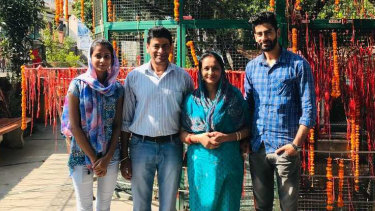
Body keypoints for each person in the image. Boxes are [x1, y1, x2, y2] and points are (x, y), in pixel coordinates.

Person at [244, 12, 317, 211]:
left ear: (277, 32)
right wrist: (245, 140)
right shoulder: (251, 68)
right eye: (259, 34)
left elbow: (309, 109)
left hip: (285, 148)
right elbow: (247, 107)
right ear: (255, 36)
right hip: (258, 147)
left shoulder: (298, 65)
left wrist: (295, 145)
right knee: (262, 207)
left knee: (288, 207)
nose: (263, 38)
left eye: (267, 32)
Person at [120, 26, 194, 211]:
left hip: (172, 146)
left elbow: (191, 117)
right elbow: (126, 120)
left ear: (171, 48)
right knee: (140, 203)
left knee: (168, 204)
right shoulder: (134, 77)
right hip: (140, 146)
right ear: (147, 47)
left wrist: (189, 150)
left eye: (165, 46)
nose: (161, 51)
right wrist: (124, 157)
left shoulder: (183, 78)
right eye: (156, 46)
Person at [180, 51, 250, 211]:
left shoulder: (234, 97)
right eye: (206, 68)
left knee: (228, 205)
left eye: (215, 68)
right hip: (200, 165)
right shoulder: (192, 100)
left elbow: (247, 128)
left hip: (229, 162)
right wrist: (199, 139)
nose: (211, 72)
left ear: (222, 70)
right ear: (200, 71)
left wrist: (227, 137)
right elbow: (181, 133)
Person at [61, 39, 124, 211]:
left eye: (107, 56)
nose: (102, 60)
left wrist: (107, 158)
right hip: (81, 155)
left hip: (110, 156)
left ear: (112, 59)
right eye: (98, 56)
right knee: (84, 206)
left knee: (104, 205)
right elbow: (74, 127)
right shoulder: (78, 85)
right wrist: (96, 160)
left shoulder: (117, 88)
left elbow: (118, 125)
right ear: (90, 57)